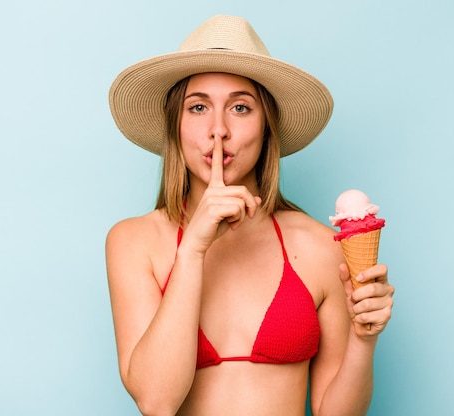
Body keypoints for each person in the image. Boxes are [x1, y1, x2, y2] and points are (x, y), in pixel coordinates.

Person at [105, 15, 394, 416]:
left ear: (267, 126)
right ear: (176, 125)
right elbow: (156, 401)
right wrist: (193, 250)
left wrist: (364, 340)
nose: (218, 130)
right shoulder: (134, 242)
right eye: (198, 107)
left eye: (240, 107)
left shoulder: (318, 246)